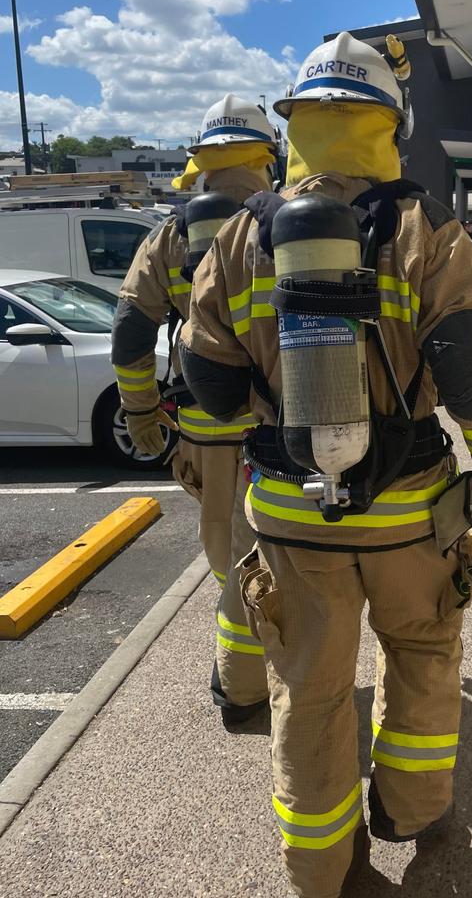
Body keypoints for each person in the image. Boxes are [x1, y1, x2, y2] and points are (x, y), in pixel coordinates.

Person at [180, 33, 472, 898]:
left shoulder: (238, 236)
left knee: (309, 693)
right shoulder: (427, 230)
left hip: (291, 518)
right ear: (391, 122)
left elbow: (214, 392)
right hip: (411, 516)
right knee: (421, 656)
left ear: (295, 123)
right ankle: (411, 814)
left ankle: (323, 873)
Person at [111, 94, 277, 722]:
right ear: (266, 156)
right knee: (289, 549)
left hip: (208, 432)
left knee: (231, 553)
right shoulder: (287, 223)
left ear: (200, 161)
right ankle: (287, 665)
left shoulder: (169, 239)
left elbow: (131, 332)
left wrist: (141, 414)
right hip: (281, 427)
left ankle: (240, 684)